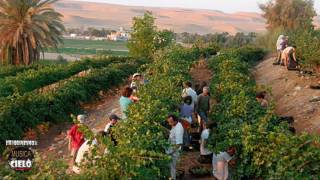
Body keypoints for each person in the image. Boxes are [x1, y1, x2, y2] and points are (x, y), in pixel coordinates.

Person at [166, 114, 184, 180]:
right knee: (171, 168)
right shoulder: (175, 125)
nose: (169, 124)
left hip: (174, 152)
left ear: (175, 121)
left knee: (172, 168)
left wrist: (170, 152)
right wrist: (161, 128)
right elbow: (171, 133)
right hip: (171, 149)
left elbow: (179, 144)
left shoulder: (178, 129)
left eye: (170, 122)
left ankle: (173, 178)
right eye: (168, 122)